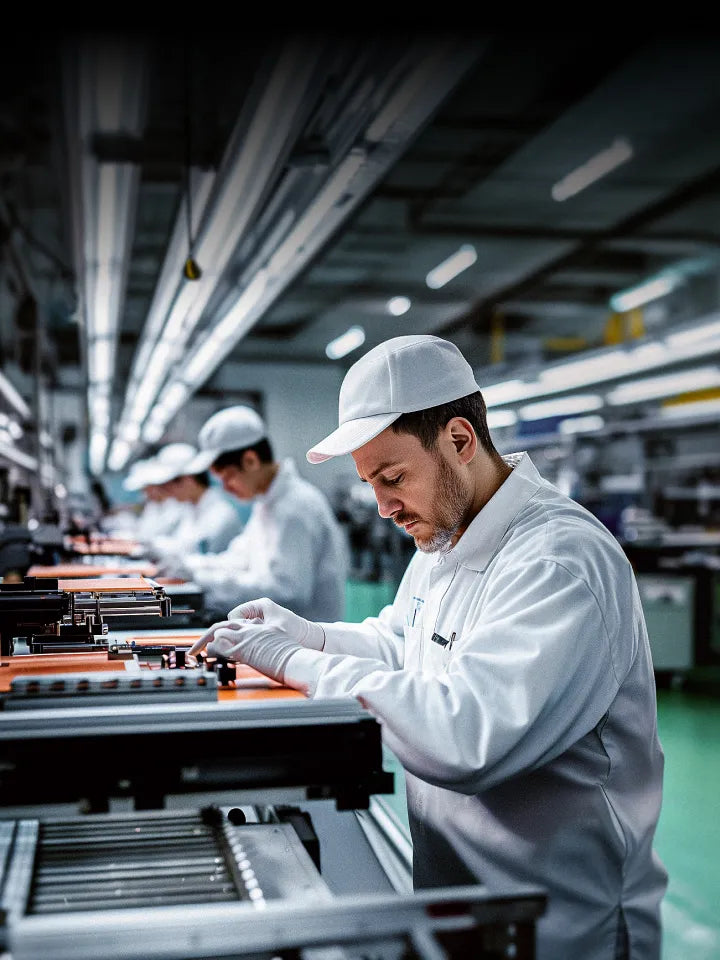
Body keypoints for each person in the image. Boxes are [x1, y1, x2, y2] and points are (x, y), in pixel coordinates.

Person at [190, 335, 668, 960]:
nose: (383, 506)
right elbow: (400, 642)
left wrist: (296, 662)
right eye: (370, 484)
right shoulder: (446, 537)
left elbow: (463, 736)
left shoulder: (558, 562)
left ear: (460, 441)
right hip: (467, 903)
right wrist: (306, 634)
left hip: (561, 924)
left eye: (392, 478)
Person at [164, 405, 347, 621]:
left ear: (250, 461)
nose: (225, 488)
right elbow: (239, 558)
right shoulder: (266, 504)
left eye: (228, 477)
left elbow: (287, 593)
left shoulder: (295, 508)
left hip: (306, 644)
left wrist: (200, 578)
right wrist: (188, 565)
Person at [143, 443, 244, 558]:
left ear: (189, 479)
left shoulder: (220, 515)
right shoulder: (189, 509)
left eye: (168, 484)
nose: (166, 491)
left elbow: (197, 554)